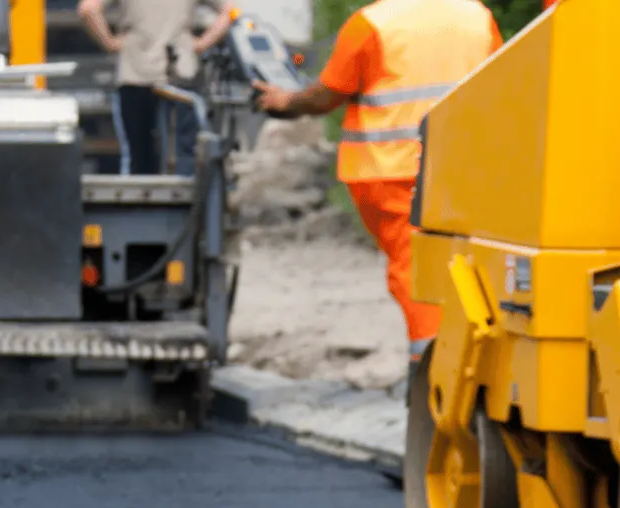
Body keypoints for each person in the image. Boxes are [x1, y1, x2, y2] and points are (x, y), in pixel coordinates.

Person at [254, 0, 501, 358]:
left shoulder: (372, 25)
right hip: (465, 169)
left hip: (393, 171)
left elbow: (328, 94)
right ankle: (462, 358)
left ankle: (429, 375)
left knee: (416, 268)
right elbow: (498, 78)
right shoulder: (477, 16)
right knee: (464, 263)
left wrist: (285, 101)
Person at [79, 0, 232, 175]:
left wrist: (109, 42)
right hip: (181, 71)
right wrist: (202, 43)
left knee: (139, 156)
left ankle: (142, 199)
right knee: (186, 152)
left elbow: (88, 9)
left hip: (136, 72)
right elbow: (231, 11)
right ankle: (184, 198)